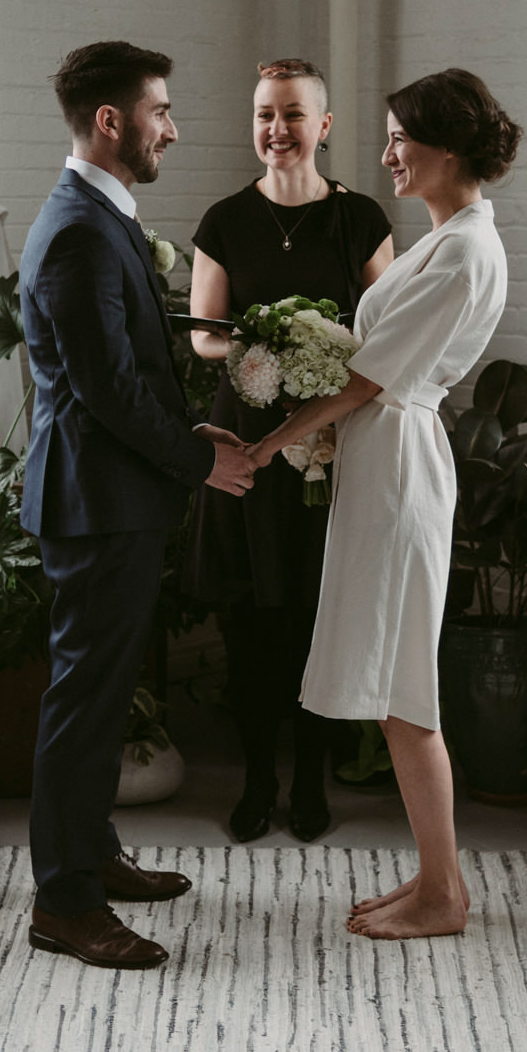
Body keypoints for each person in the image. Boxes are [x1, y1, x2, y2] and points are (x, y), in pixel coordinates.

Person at [245, 68, 520, 941]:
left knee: (408, 690)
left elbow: (368, 378)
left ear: (447, 148)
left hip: (401, 461)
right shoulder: (451, 238)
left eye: (401, 137)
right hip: (386, 457)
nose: (387, 153)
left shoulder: (468, 249)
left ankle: (443, 893)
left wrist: (264, 444)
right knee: (401, 689)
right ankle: (437, 879)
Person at [18, 40, 257, 971]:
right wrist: (200, 461)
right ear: (112, 121)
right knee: (82, 703)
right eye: (160, 110)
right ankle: (63, 902)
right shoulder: (79, 227)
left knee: (104, 693)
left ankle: (92, 852)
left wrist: (191, 450)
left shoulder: (97, 213)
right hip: (95, 504)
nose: (173, 127)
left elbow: (123, 378)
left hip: (115, 498)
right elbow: (110, 391)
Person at [184, 58, 395, 844]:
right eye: (265, 115)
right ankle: (256, 781)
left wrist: (327, 349)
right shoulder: (223, 221)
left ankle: (310, 782)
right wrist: (260, 344)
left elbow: (387, 332)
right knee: (250, 624)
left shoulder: (362, 219)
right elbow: (205, 335)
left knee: (318, 619)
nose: (278, 130)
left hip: (332, 447)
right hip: (246, 443)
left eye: (293, 115)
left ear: (324, 126)